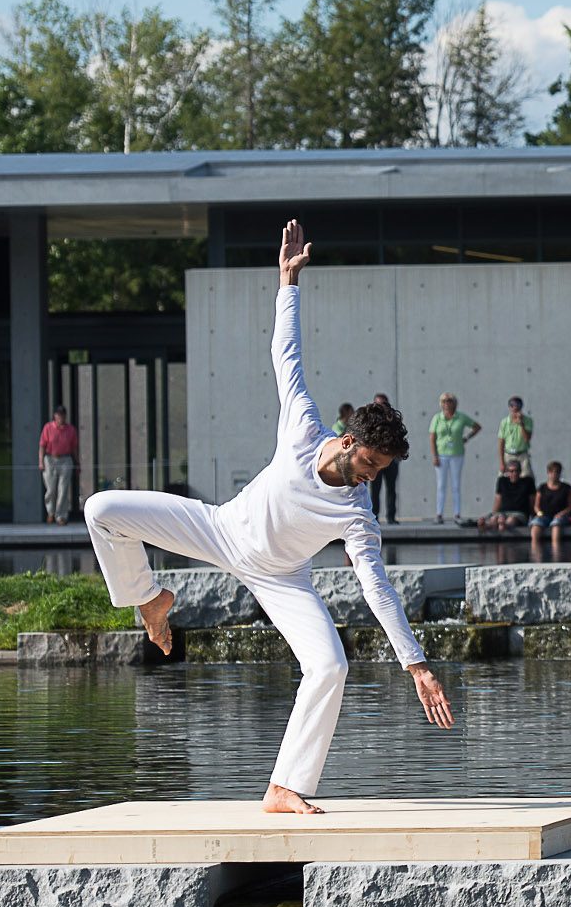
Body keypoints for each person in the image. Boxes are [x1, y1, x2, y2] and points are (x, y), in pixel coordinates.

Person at [82, 220, 453, 814]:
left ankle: (285, 786)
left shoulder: (358, 514)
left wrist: (416, 665)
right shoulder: (303, 424)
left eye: (381, 469)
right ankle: (147, 598)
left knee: (330, 664)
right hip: (220, 528)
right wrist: (287, 282)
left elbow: (377, 588)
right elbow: (287, 356)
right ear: (348, 438)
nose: (372, 476)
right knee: (101, 509)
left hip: (281, 577)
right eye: (371, 462)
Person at [428, 393, 481, 525]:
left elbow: (477, 427)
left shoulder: (461, 417)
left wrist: (466, 438)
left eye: (450, 401)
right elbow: (432, 438)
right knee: (441, 485)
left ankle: (457, 514)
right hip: (441, 454)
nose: (447, 403)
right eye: (444, 401)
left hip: (457, 454)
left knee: (455, 485)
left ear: (454, 403)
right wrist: (434, 455)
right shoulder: (437, 418)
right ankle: (439, 514)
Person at [38, 406, 79, 525]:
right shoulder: (48, 427)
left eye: (63, 415)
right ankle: (51, 512)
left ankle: (61, 515)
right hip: (50, 459)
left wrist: (77, 462)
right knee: (51, 489)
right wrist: (41, 461)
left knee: (63, 489)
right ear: (55, 416)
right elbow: (42, 445)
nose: (61, 417)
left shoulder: (70, 430)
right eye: (58, 415)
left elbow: (74, 448)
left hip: (65, 459)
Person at [530, 460, 571, 555]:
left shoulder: (566, 488)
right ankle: (535, 552)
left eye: (557, 472)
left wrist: (561, 514)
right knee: (536, 524)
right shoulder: (542, 488)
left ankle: (556, 551)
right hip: (545, 515)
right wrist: (539, 513)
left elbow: (570, 506)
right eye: (552, 472)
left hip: (560, 515)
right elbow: (536, 506)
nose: (554, 474)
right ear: (548, 473)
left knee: (556, 524)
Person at [368, 393, 400, 524]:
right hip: (376, 461)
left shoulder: (393, 420)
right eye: (378, 404)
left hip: (391, 460)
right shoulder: (370, 421)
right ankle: (374, 517)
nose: (380, 407)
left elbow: (399, 437)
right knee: (375, 490)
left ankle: (391, 517)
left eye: (383, 404)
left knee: (391, 489)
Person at [481, 459, 535, 534]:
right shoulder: (502, 481)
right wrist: (494, 514)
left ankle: (503, 526)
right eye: (511, 471)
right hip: (503, 512)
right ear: (507, 472)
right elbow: (498, 500)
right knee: (495, 519)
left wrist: (533, 517)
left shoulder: (528, 482)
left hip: (519, 514)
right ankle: (487, 526)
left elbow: (532, 501)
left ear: (520, 472)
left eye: (516, 471)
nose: (514, 473)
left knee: (510, 520)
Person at [498, 397, 535, 479]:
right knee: (503, 478)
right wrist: (502, 462)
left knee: (527, 477)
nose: (515, 408)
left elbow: (527, 439)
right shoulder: (504, 422)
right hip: (508, 454)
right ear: (509, 408)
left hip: (522, 454)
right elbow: (501, 442)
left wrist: (521, 424)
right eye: (512, 406)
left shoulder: (528, 421)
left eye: (517, 406)